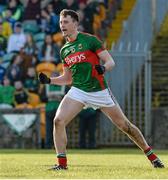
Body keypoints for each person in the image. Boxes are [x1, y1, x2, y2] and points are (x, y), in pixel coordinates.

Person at [38, 9, 164, 170]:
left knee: (125, 126)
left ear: (75, 24)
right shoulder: (64, 50)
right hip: (79, 90)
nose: (62, 25)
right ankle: (62, 165)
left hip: (99, 91)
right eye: (61, 22)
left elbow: (110, 61)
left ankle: (152, 157)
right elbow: (68, 79)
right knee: (58, 121)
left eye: (66, 22)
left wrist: (103, 68)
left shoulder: (90, 40)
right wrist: (50, 80)